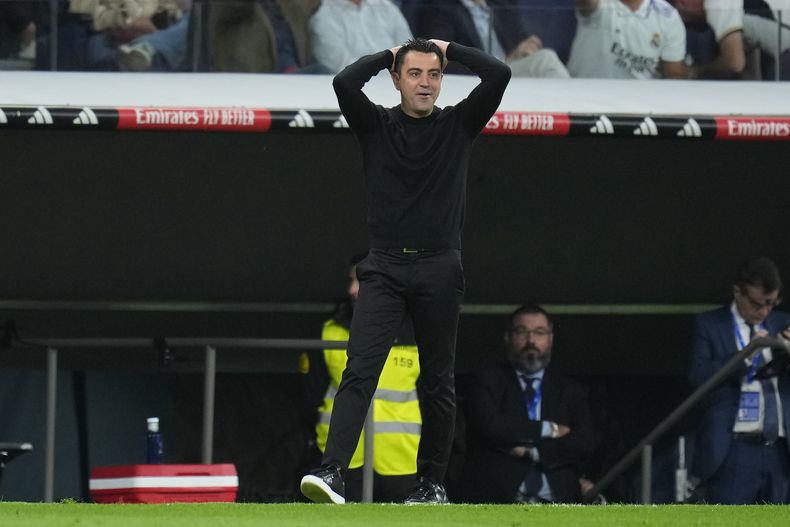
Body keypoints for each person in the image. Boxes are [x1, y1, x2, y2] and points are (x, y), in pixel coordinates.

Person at [299, 37, 511, 505]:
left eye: (434, 74)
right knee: (360, 371)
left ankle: (431, 484)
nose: (425, 83)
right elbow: (342, 82)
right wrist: (385, 56)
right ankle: (333, 471)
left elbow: (498, 74)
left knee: (438, 380)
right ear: (396, 79)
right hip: (385, 265)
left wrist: (449, 48)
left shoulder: (458, 123)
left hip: (440, 265)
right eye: (414, 74)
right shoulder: (375, 123)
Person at [306, 253, 422, 502]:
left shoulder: (418, 332)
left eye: (362, 281)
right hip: (342, 461)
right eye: (351, 281)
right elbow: (310, 394)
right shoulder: (329, 330)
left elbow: (435, 398)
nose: (351, 290)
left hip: (404, 458)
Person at [459, 304, 594, 503]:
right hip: (497, 494)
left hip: (558, 496)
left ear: (551, 339)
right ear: (508, 337)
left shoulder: (570, 390)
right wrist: (548, 429)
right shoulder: (487, 379)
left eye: (539, 332)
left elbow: (584, 442)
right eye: (522, 332)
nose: (531, 340)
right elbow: (490, 426)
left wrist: (532, 451)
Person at [689, 256, 790, 504]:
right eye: (757, 304)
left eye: (772, 303)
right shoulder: (709, 325)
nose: (765, 311)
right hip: (735, 447)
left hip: (780, 447)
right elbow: (697, 377)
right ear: (737, 292)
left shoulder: (783, 322)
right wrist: (745, 356)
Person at [415, 0, 570, 78]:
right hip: (480, 76)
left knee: (542, 61)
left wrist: (530, 47)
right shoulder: (441, 8)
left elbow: (524, 43)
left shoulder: (501, 5)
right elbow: (441, 58)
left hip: (513, 72)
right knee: (546, 60)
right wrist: (504, 60)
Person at [567, 0, 688, 79]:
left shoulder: (668, 16)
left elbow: (675, 75)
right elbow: (586, 5)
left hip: (635, 106)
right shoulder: (600, 3)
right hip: (583, 97)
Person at [308, 0, 413, 74]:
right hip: (358, 93)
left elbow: (410, 52)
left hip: (401, 85)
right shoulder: (323, 18)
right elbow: (343, 69)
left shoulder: (386, 7)